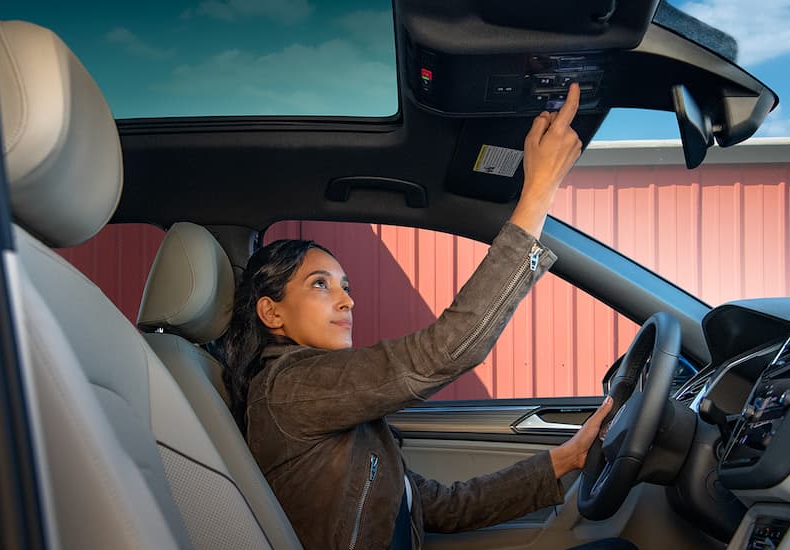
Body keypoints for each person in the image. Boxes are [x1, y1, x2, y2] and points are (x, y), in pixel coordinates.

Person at [216, 84, 618, 549]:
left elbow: (439, 507)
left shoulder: (330, 398)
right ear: (271, 312)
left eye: (346, 287)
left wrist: (566, 459)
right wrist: (538, 191)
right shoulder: (290, 387)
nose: (347, 301)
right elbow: (444, 351)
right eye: (320, 284)